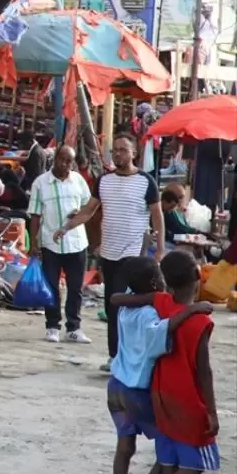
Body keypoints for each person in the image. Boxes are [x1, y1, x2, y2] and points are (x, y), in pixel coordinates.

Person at [61, 133, 165, 367]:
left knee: (123, 304)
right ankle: (115, 355)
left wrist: (159, 250)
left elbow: (157, 216)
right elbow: (89, 211)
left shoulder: (146, 182)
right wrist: (67, 227)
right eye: (115, 150)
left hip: (133, 253)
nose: (118, 154)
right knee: (111, 305)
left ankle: (124, 357)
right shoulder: (104, 181)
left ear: (134, 153)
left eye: (123, 150)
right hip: (109, 253)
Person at [105, 257, 213, 474]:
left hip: (116, 387)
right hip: (137, 392)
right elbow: (160, 332)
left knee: (125, 448)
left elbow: (115, 298)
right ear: (155, 282)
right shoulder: (149, 314)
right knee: (169, 444)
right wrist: (192, 310)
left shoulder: (128, 305)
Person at [151, 251, 221, 473]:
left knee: (166, 465)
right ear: (198, 276)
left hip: (162, 401)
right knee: (193, 465)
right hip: (189, 406)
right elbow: (204, 372)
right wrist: (211, 411)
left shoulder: (161, 305)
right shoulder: (200, 322)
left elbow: (130, 297)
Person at [28, 145, 93, 343]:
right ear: (54, 159)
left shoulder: (78, 181)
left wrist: (78, 214)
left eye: (69, 161)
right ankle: (52, 326)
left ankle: (74, 327)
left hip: (77, 242)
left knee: (75, 288)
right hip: (50, 243)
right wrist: (33, 243)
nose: (65, 165)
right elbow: (35, 216)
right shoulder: (41, 183)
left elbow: (88, 206)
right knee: (52, 286)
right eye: (61, 160)